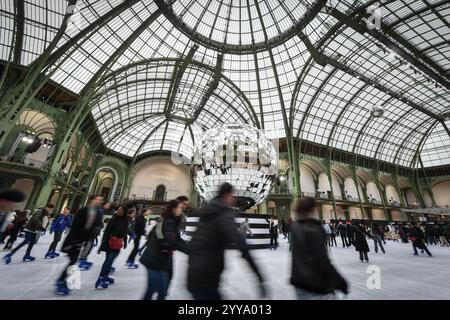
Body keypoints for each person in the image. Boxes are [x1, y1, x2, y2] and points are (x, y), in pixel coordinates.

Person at [187, 183, 267, 300]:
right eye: (232, 195)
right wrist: (259, 276)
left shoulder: (208, 212)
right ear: (226, 195)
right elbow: (240, 244)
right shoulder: (223, 213)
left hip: (195, 274)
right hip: (207, 277)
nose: (233, 198)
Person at [290, 197, 348, 300]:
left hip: (299, 282)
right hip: (315, 285)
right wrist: (340, 282)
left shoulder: (295, 227)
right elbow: (322, 259)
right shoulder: (314, 228)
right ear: (312, 209)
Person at [56, 194, 104, 295]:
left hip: (81, 240)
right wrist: (76, 241)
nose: (99, 202)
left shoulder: (96, 212)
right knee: (73, 261)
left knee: (73, 262)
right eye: (98, 199)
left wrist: (95, 231)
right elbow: (76, 226)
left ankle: (62, 280)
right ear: (91, 200)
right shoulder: (83, 210)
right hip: (74, 240)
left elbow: (92, 226)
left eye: (100, 200)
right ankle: (62, 281)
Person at [140, 200, 188, 300]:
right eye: (179, 207)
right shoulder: (169, 221)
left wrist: (187, 245)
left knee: (154, 290)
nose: (181, 209)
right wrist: (189, 250)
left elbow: (174, 238)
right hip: (156, 260)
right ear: (174, 209)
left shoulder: (166, 219)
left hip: (156, 258)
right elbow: (170, 239)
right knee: (159, 292)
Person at [95, 205, 129, 289]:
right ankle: (100, 279)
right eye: (118, 209)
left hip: (118, 243)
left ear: (124, 211)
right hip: (110, 242)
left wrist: (125, 242)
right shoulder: (113, 219)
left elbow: (125, 231)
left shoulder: (125, 220)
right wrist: (102, 244)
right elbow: (106, 232)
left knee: (111, 260)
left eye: (121, 209)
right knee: (108, 260)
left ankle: (105, 276)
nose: (119, 211)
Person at [78, 201, 109, 270]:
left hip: (93, 231)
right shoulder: (99, 211)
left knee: (90, 245)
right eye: (107, 205)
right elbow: (95, 221)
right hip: (92, 232)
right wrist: (97, 227)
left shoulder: (101, 211)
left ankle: (84, 258)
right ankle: (82, 260)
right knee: (88, 245)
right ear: (104, 205)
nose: (108, 206)